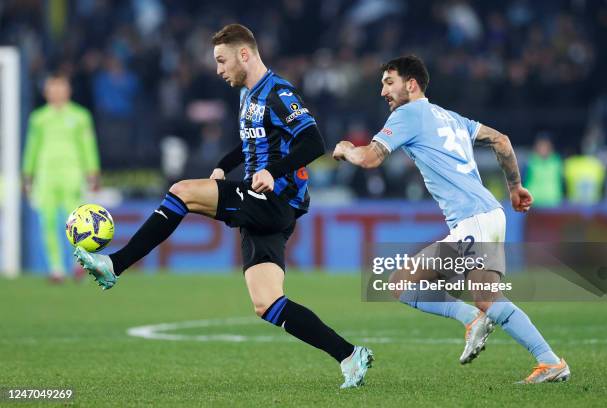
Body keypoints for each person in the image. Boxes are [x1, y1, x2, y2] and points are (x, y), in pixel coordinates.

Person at [74, 24, 373, 389]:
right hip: (266, 206)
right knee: (267, 303)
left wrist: (272, 171)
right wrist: (223, 165)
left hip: (273, 199)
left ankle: (114, 264)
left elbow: (314, 142)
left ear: (244, 54)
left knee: (182, 191)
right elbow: (252, 142)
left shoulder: (278, 92)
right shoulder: (248, 95)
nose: (218, 69)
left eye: (221, 60)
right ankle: (349, 355)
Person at [332, 55, 569, 384]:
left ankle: (548, 360)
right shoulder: (451, 118)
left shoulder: (408, 114)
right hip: (485, 216)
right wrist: (515, 188)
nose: (383, 91)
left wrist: (346, 148)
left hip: (474, 219)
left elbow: (370, 158)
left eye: (389, 82)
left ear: (411, 84)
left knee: (484, 297)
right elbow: (502, 141)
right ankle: (479, 322)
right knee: (402, 283)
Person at [22, 73, 101, 282]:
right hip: (46, 176)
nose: (56, 93)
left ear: (68, 91)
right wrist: (27, 173)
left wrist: (92, 170)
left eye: (60, 88)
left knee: (76, 223)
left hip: (72, 175)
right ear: (46, 92)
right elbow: (32, 147)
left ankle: (78, 264)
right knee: (47, 222)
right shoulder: (39, 118)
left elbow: (88, 145)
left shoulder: (80, 116)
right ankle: (55, 268)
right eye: (52, 89)